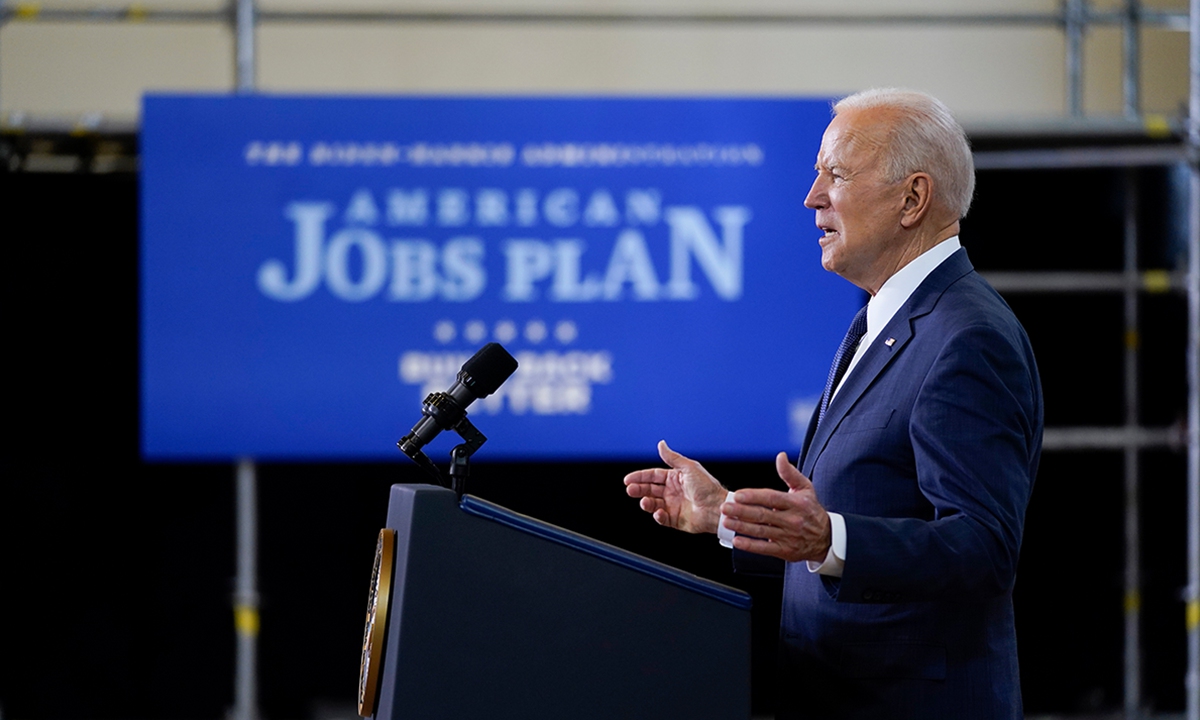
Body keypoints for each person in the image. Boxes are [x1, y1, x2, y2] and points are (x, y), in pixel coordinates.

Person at [624, 89, 1043, 720]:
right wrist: (729, 517)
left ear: (912, 199)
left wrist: (830, 538)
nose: (812, 197)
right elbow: (856, 523)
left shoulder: (967, 336)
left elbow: (983, 549)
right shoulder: (882, 320)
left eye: (836, 175)